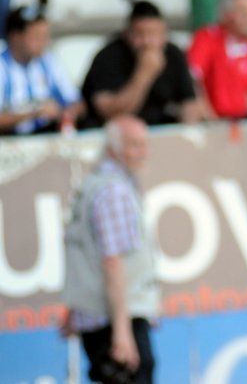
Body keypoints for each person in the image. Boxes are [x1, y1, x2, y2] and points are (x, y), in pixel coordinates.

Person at [61, 116, 159, 384]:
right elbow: (112, 262)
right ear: (114, 148)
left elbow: (84, 252)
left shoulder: (94, 184)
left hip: (100, 315)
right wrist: (122, 332)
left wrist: (75, 308)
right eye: (135, 145)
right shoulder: (113, 191)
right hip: (113, 318)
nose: (144, 153)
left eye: (145, 145)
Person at [81, 1, 201, 129]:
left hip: (163, 131)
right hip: (120, 134)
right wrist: (144, 73)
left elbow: (190, 102)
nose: (147, 42)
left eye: (153, 34)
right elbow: (110, 113)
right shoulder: (108, 56)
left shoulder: (174, 54)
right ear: (127, 33)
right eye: (140, 35)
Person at [0, 6, 81, 135]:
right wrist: (35, 113)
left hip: (46, 134)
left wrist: (66, 113)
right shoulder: (2, 66)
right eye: (36, 36)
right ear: (15, 36)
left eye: (45, 36)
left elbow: (77, 102)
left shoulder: (49, 61)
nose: (43, 42)